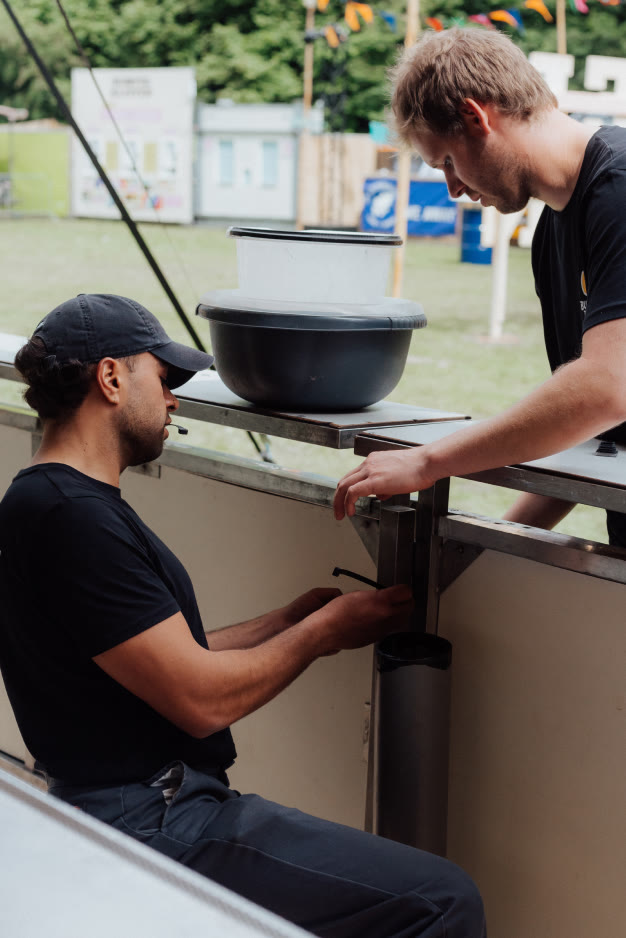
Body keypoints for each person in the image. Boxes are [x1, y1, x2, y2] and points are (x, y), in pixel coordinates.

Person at [0, 293, 485, 938]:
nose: (173, 399)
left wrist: (283, 622)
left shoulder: (46, 500)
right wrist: (321, 635)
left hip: (124, 801)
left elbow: (159, 657)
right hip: (155, 816)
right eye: (164, 378)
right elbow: (199, 698)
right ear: (112, 378)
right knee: (442, 899)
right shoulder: (73, 517)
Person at [334, 27, 626, 548]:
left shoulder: (620, 191)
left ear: (476, 117)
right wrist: (483, 545)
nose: (454, 191)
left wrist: (429, 461)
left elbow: (606, 389)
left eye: (446, 161)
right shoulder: (553, 234)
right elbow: (588, 425)